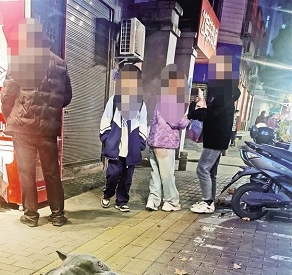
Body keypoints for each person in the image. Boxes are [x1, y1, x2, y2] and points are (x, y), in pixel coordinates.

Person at [1, 19, 72, 227]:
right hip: (48, 129)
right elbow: (67, 97)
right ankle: (58, 215)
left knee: (27, 171)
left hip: (23, 127)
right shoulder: (60, 63)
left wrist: (10, 116)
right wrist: (50, 109)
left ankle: (31, 216)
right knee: (51, 171)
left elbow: (7, 95)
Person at [188, 50, 241, 214]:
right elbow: (213, 112)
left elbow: (211, 114)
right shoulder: (228, 90)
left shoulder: (223, 90)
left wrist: (195, 110)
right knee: (211, 171)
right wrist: (201, 105)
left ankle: (207, 202)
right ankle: (210, 200)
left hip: (216, 137)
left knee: (202, 169)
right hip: (218, 137)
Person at [99, 64, 147, 212]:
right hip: (116, 147)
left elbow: (143, 124)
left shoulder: (140, 104)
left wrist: (140, 142)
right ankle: (108, 193)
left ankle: (122, 201)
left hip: (131, 147)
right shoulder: (114, 100)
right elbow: (106, 119)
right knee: (113, 174)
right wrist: (107, 138)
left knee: (127, 178)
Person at [146, 65, 190, 211]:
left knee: (156, 174)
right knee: (167, 175)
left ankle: (153, 200)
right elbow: (177, 121)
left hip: (154, 142)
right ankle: (171, 201)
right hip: (165, 144)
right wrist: (187, 120)